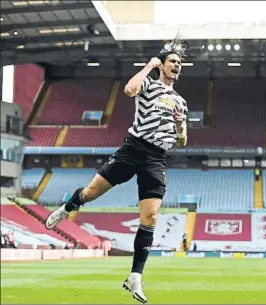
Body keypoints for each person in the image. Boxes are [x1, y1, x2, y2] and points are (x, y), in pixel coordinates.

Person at [45, 36, 188, 304]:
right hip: (133, 149)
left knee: (152, 217)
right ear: (162, 65)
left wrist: (180, 126)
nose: (177, 66)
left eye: (180, 63)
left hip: (156, 158)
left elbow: (182, 141)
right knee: (90, 193)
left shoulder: (181, 102)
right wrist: (149, 65)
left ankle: (135, 276)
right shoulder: (148, 84)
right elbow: (129, 90)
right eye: (172, 62)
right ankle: (66, 209)